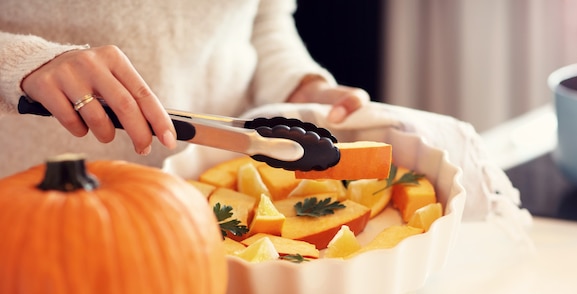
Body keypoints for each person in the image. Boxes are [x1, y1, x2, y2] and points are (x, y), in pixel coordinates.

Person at [0, 0, 369, 178]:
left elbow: (262, 17)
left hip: (214, 199)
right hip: (36, 211)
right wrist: (22, 61)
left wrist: (296, 83)